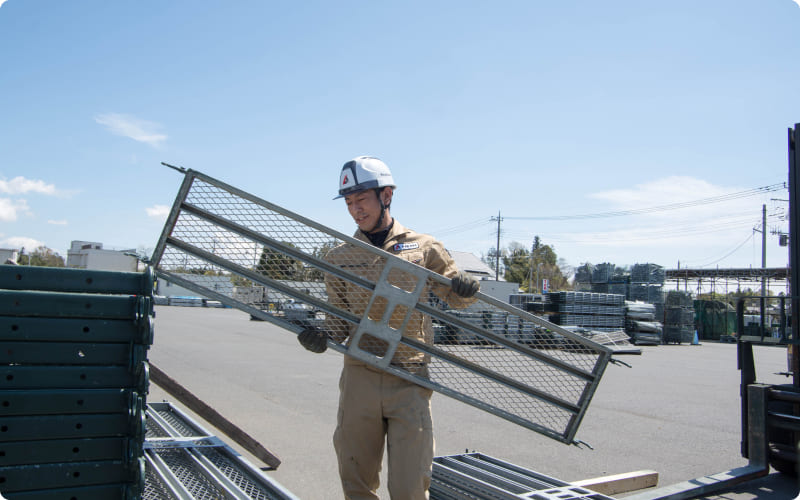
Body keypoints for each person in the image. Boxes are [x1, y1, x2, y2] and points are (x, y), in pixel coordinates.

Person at [297, 156, 479, 499]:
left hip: (409, 377)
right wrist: (320, 336)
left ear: (387, 196)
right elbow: (338, 322)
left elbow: (455, 296)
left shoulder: (424, 247)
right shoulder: (339, 257)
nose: (355, 210)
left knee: (410, 485)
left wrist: (466, 289)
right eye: (349, 202)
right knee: (356, 479)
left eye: (361, 199)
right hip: (360, 375)